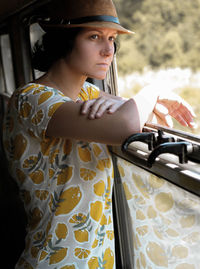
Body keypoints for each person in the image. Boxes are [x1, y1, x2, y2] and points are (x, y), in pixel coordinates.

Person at [2, 0, 196, 268]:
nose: (109, 51)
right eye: (94, 37)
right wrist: (155, 88)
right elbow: (127, 124)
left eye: (112, 39)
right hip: (54, 261)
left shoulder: (87, 94)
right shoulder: (31, 99)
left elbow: (146, 115)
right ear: (64, 39)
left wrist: (134, 105)